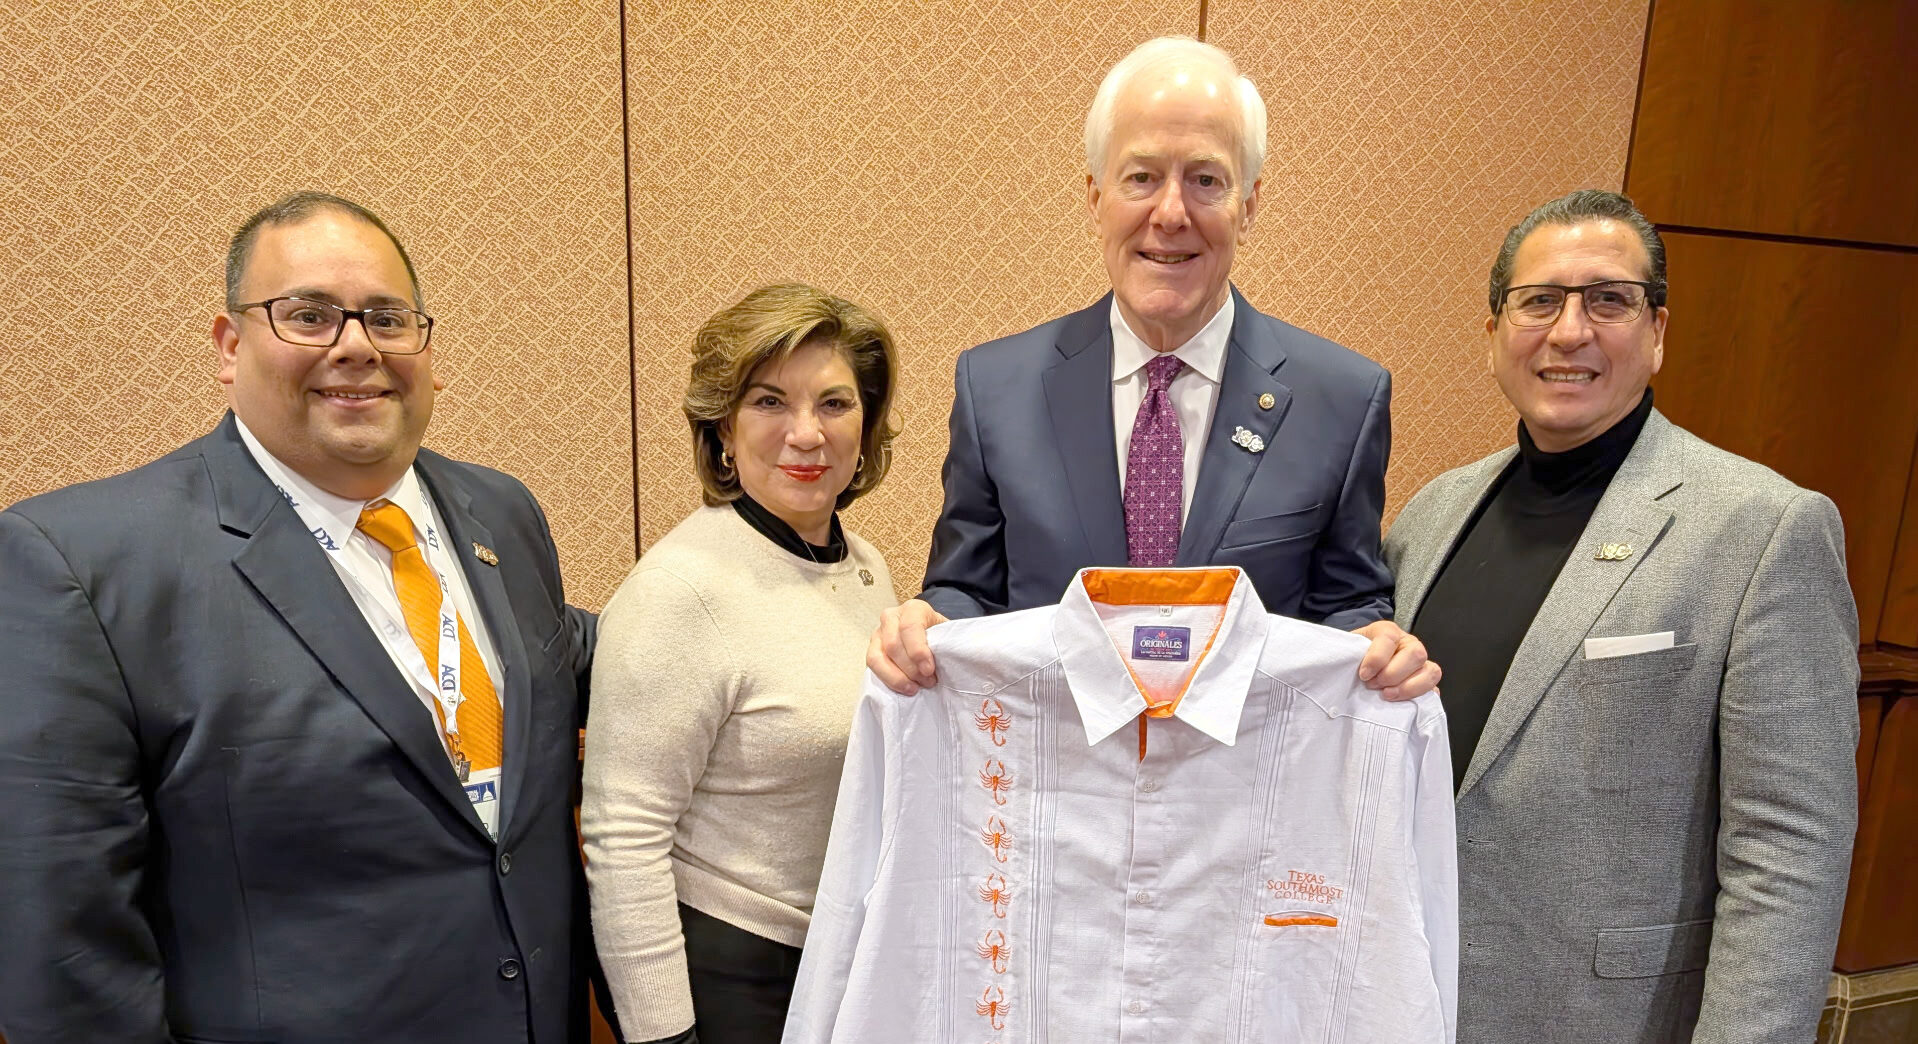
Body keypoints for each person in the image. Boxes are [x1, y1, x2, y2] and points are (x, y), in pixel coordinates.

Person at [0, 192, 601, 1044]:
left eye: (387, 319)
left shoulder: (500, 511)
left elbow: (577, 656)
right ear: (229, 344)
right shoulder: (80, 565)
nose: (357, 346)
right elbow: (63, 954)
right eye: (309, 316)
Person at [1384, 189, 1858, 1042]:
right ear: (1493, 332)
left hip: (1610, 1018)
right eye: (1539, 301)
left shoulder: (1764, 527)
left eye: (1609, 300)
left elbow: (1791, 850)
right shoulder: (1429, 515)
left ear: (1658, 331)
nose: (1570, 332)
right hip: (1410, 1000)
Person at [867, 36, 1438, 700]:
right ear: (1095, 196)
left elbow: (1346, 603)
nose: (1170, 214)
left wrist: (1374, 642)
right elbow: (966, 587)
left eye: (1206, 180)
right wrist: (931, 624)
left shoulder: (1342, 398)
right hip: (1058, 785)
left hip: (1238, 790)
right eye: (1141, 177)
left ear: (1249, 204)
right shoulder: (995, 389)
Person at [581, 284, 901, 1044]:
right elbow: (623, 836)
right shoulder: (679, 589)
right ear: (723, 428)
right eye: (768, 402)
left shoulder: (865, 568)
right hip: (727, 977)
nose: (805, 434)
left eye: (833, 404)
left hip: (840, 961)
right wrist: (664, 1035)